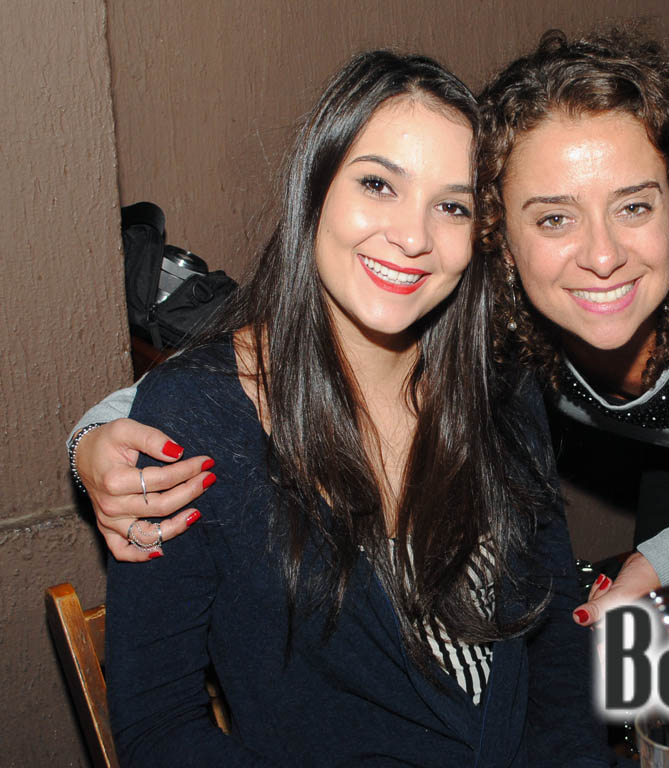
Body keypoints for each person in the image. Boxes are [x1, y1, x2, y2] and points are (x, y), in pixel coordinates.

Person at [72, 28, 669, 623]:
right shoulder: (482, 286)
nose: (600, 256)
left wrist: (652, 563)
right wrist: (97, 438)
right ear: (497, 232)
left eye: (634, 206)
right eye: (554, 216)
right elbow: (279, 352)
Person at [85, 49, 610, 767]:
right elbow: (159, 727)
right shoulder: (198, 415)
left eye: (452, 206)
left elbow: (552, 644)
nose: (414, 237)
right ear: (316, 188)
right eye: (378, 184)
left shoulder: (501, 387)